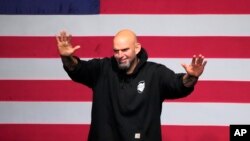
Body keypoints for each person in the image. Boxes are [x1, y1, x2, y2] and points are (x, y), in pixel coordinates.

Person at [56, 29, 207, 141]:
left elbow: (179, 85)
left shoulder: (155, 73)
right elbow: (76, 68)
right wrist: (66, 58)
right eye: (116, 51)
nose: (120, 55)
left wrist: (191, 76)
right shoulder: (102, 70)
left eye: (125, 50)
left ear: (137, 48)